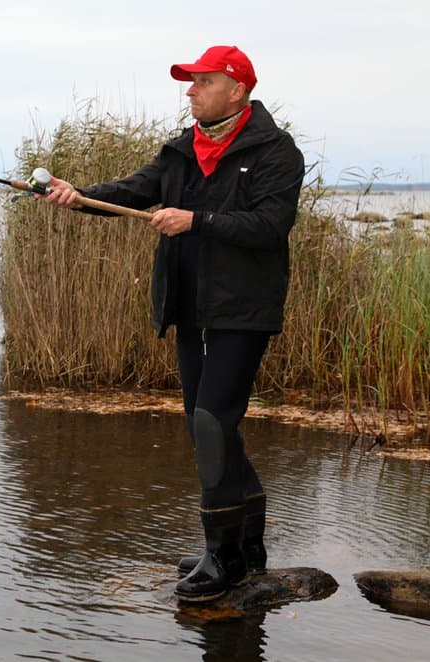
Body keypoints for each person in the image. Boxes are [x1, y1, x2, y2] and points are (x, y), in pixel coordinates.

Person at [38, 45, 304, 602]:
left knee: (211, 422)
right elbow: (132, 190)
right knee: (208, 424)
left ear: (237, 89)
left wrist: (195, 220)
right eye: (189, 83)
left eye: (202, 82)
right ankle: (245, 545)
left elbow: (269, 225)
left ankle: (222, 557)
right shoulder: (182, 150)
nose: (190, 91)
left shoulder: (275, 151)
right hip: (189, 307)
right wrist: (77, 196)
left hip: (242, 309)